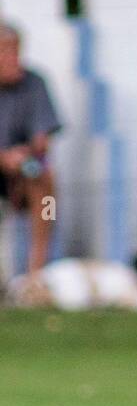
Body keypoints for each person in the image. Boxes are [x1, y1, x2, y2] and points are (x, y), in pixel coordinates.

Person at [0, 21, 61, 279]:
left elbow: (42, 140)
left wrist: (25, 154)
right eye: (4, 51)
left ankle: (37, 272)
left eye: (15, 51)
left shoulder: (35, 83)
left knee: (46, 186)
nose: (13, 58)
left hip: (23, 172)